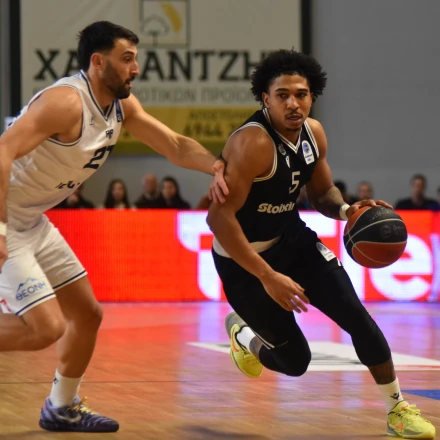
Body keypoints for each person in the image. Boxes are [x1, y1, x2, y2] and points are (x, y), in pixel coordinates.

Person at [0, 21, 227, 433]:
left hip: (31, 219)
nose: (135, 68)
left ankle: (61, 407)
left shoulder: (122, 108)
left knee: (87, 314)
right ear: (98, 62)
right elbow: (3, 150)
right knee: (46, 328)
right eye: (127, 59)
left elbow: (175, 145)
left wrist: (217, 167)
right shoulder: (66, 103)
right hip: (5, 218)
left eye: (135, 59)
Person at [206, 49, 435, 439]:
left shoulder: (314, 133)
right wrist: (267, 276)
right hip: (244, 261)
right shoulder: (252, 144)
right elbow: (218, 220)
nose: (293, 103)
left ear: (312, 96)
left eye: (301, 94)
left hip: (292, 239)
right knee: (295, 361)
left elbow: (321, 193)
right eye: (282, 95)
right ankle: (243, 335)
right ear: (265, 98)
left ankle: (397, 410)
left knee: (358, 318)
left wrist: (347, 210)